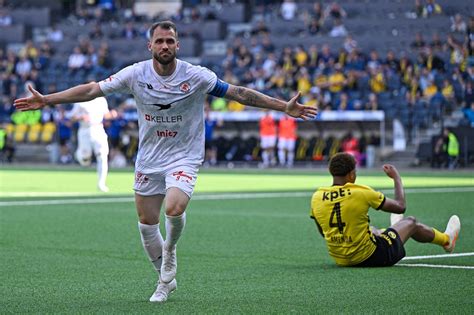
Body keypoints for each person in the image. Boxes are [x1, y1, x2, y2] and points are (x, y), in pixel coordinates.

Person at [14, 21, 317, 303]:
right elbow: (93, 89)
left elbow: (238, 93)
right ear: (150, 46)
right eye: (159, 41)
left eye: (170, 41)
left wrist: (282, 107)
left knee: (174, 207)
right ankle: (164, 281)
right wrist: (48, 99)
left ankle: (170, 251)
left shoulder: (195, 75)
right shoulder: (135, 74)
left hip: (184, 155)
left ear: (177, 45)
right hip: (149, 158)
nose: (164, 46)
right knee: (147, 224)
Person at [310, 152, 460, 267]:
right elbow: (400, 206)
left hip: (340, 259)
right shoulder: (361, 191)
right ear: (351, 174)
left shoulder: (317, 197)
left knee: (373, 230)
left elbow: (323, 232)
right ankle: (447, 241)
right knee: (411, 222)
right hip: (371, 256)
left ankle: (392, 229)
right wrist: (397, 178)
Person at [69, 95, 116, 192]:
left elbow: (105, 114)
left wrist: (112, 114)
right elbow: (72, 117)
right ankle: (79, 155)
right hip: (85, 130)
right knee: (85, 160)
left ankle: (101, 183)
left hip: (98, 128)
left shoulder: (101, 100)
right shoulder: (80, 100)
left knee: (102, 156)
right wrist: (80, 117)